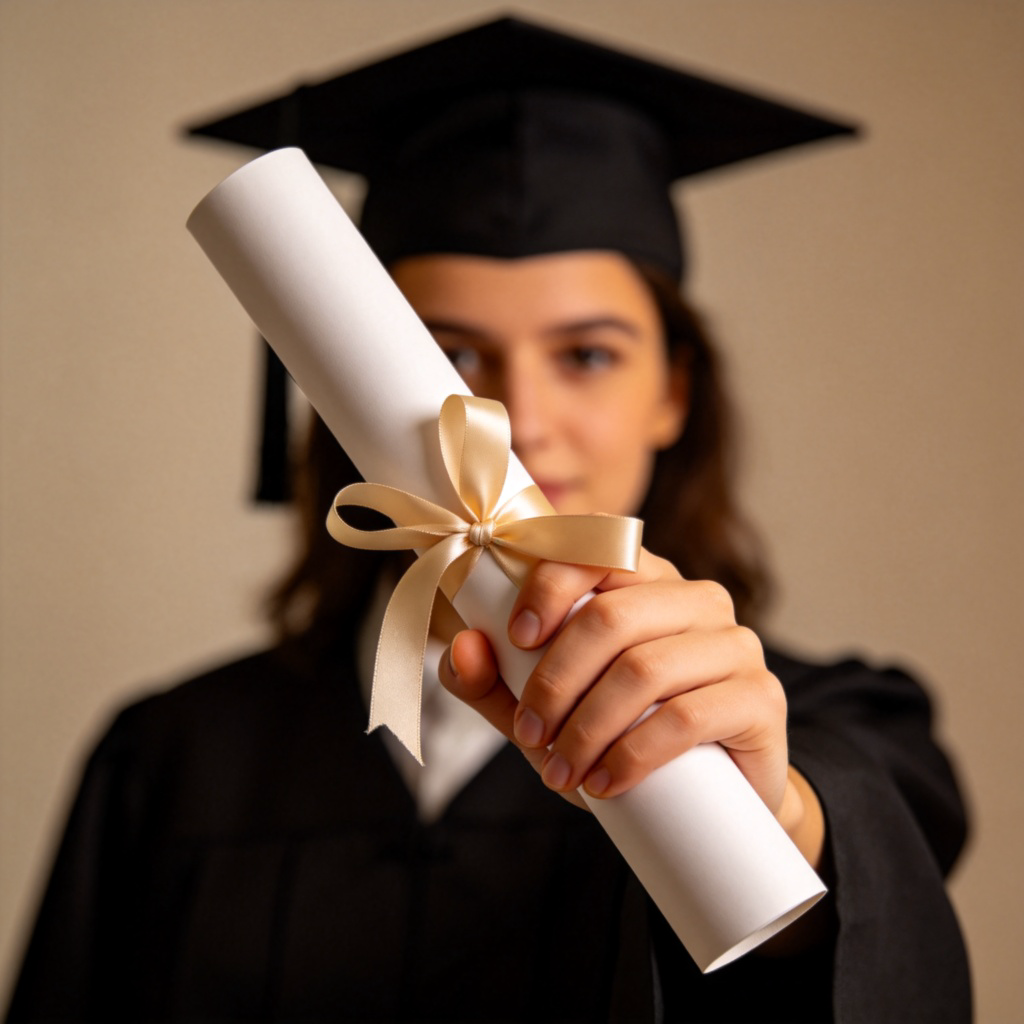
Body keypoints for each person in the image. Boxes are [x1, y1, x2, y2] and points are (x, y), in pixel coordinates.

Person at [6, 16, 970, 1023]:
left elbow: (869, 941)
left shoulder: (835, 722)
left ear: (672, 393)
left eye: (587, 354)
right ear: (345, 392)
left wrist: (774, 813)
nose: (516, 422)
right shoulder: (167, 758)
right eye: (451, 356)